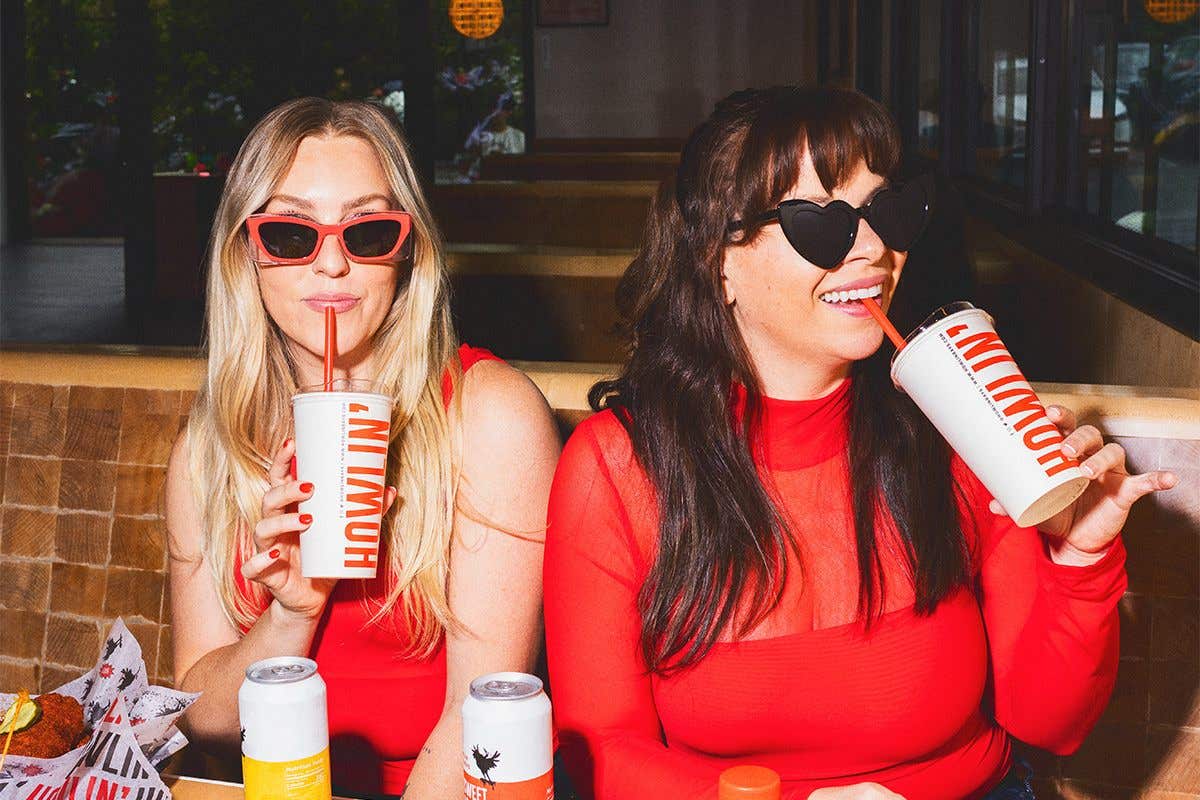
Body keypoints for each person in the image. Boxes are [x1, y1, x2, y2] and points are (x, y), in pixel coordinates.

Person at [542, 86, 1177, 799]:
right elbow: (600, 749)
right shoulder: (618, 465)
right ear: (720, 260)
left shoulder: (955, 422)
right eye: (823, 222)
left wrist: (1082, 561)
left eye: (888, 210)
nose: (875, 248)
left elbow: (1051, 724)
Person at [165, 97, 559, 798]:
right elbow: (203, 718)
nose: (333, 264)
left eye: (368, 231)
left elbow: (480, 717)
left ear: (406, 252)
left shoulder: (491, 416)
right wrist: (292, 613)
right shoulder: (210, 447)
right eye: (290, 234)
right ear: (246, 252)